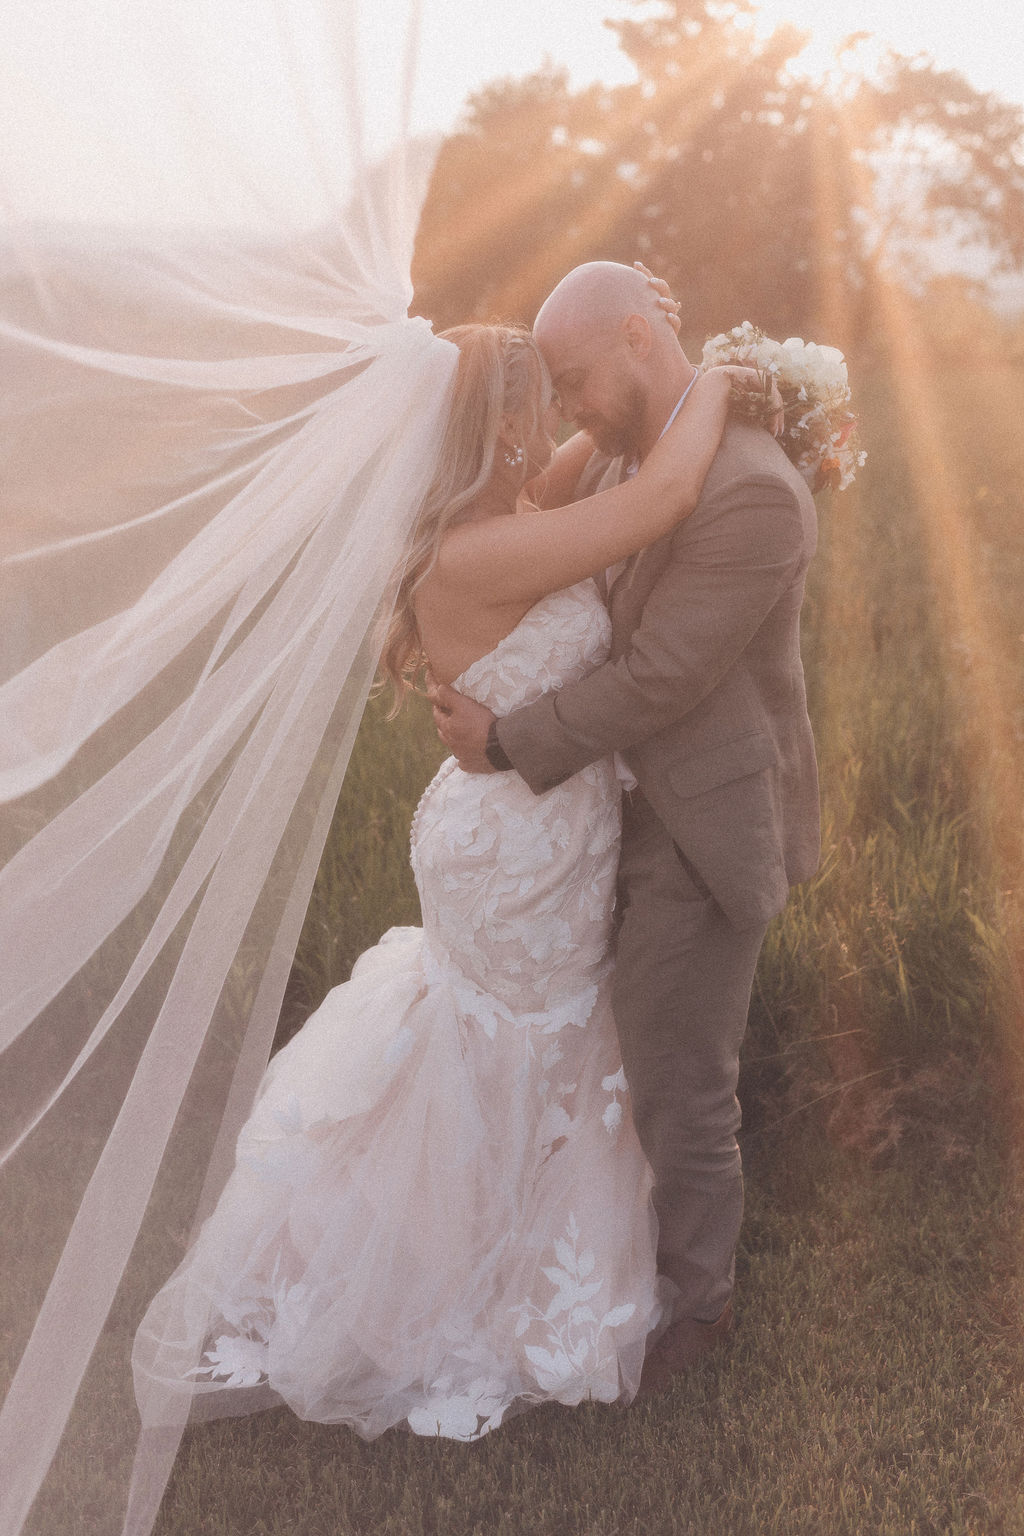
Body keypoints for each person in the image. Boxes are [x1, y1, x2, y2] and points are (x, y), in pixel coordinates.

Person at [132, 310, 779, 1439]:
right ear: (502, 428)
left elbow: (594, 454)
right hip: (517, 845)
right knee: (517, 1047)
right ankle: (460, 1276)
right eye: (539, 404)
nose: (559, 420)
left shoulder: (503, 517)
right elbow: (665, 496)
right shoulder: (483, 552)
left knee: (501, 1042)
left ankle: (478, 1244)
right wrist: (728, 378)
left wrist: (636, 376)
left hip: (521, 823)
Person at [432, 261, 820, 1395]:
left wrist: (508, 740)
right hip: (608, 817)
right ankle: (605, 1255)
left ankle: (699, 1304)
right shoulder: (615, 455)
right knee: (622, 1058)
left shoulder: (751, 489)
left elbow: (658, 677)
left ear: (641, 341)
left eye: (572, 380)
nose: (564, 409)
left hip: (701, 823)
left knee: (674, 1073)